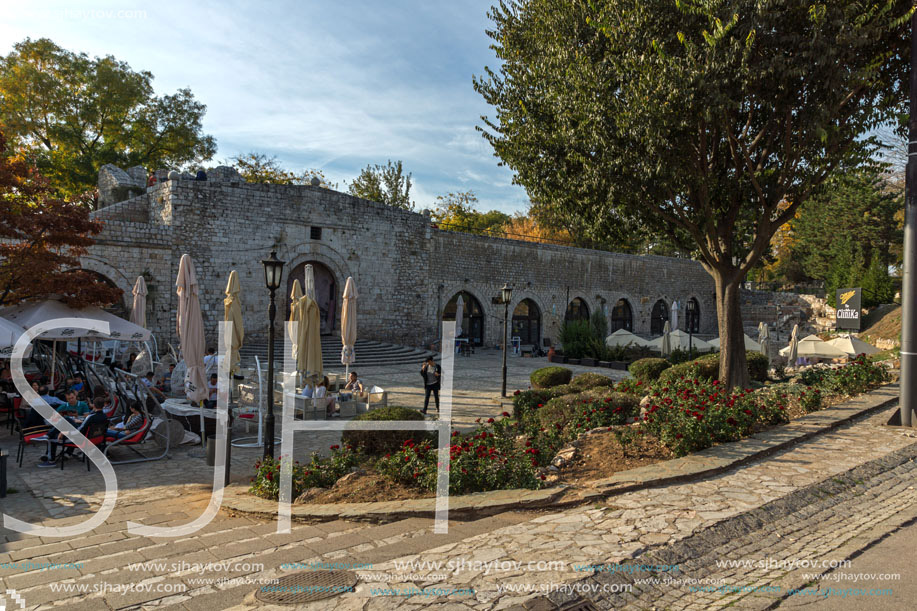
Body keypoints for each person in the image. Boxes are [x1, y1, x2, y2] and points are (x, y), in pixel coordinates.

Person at [38, 396, 109, 467]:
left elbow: (79, 431)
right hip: (94, 439)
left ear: (94, 405)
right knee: (68, 419)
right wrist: (80, 421)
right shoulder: (105, 417)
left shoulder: (90, 417)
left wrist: (66, 433)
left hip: (80, 439)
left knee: (53, 438)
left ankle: (51, 460)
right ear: (103, 405)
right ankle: (51, 438)